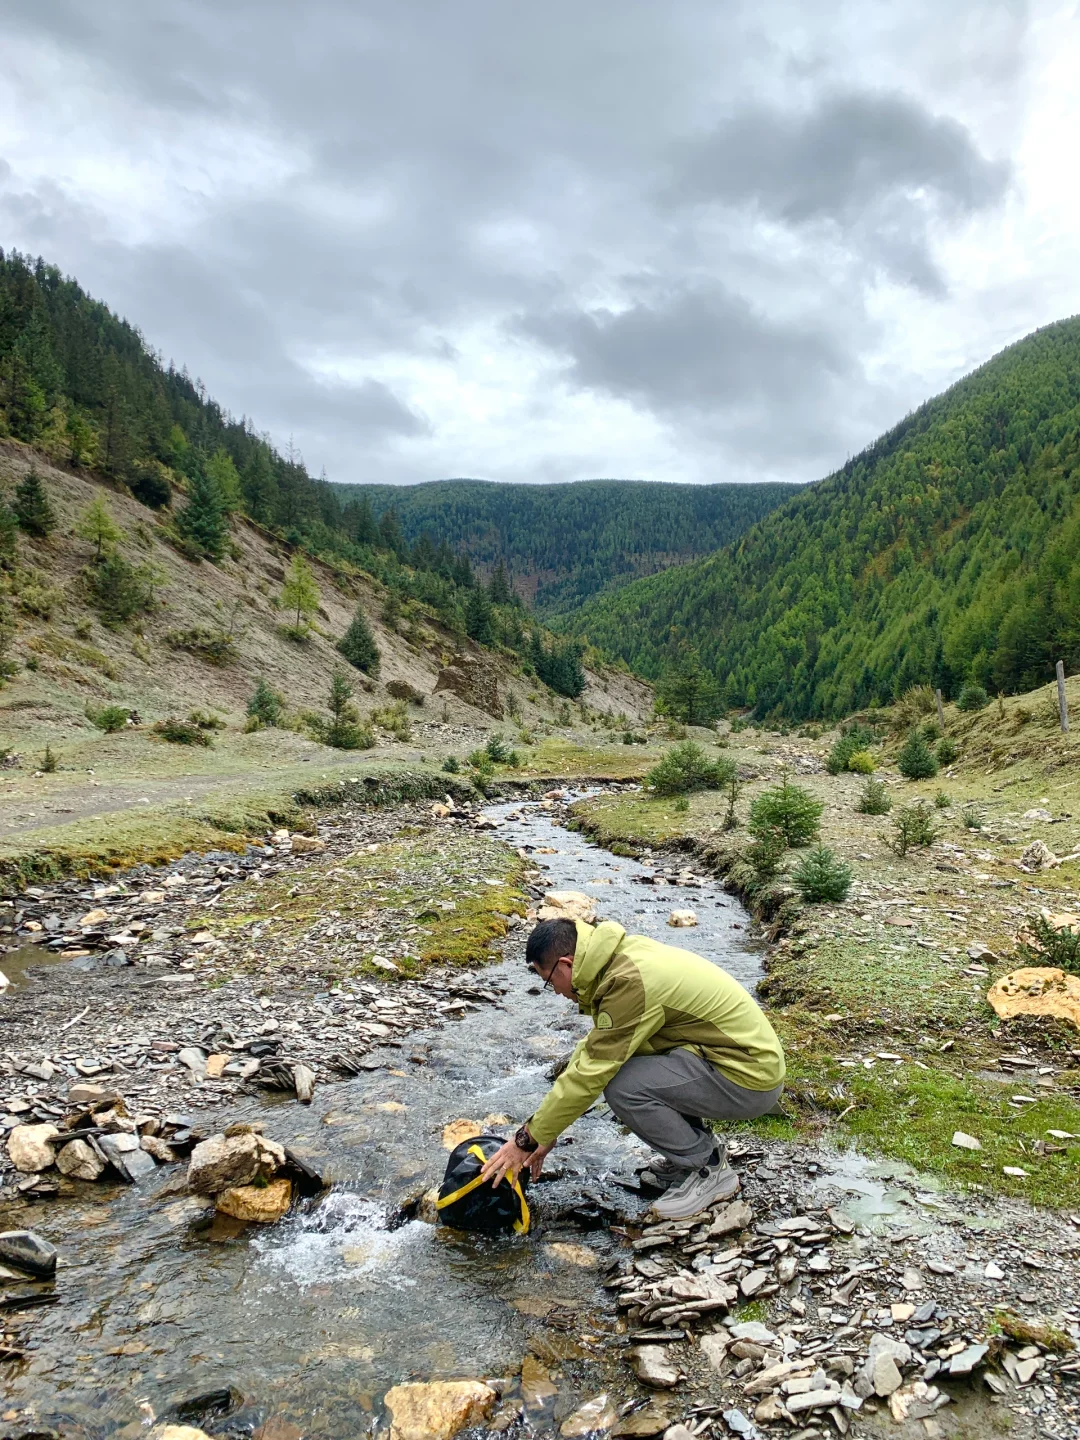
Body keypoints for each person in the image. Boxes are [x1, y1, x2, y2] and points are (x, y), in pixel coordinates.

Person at [481, 915, 785, 1219]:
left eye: (548, 981)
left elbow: (591, 1074)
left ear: (565, 964)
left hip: (748, 1078)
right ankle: (693, 1154)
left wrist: (526, 1139)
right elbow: (597, 1047)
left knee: (623, 1086)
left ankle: (707, 1169)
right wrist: (545, 1129)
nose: (557, 992)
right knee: (629, 1067)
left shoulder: (628, 981)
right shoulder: (619, 957)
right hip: (732, 1060)